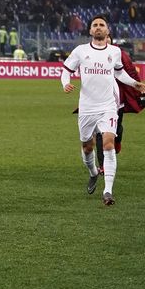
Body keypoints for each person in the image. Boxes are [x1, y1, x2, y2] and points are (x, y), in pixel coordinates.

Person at [61, 16, 145, 206]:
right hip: (87, 108)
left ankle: (108, 191)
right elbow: (66, 70)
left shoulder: (115, 52)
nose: (98, 28)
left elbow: (119, 72)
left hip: (108, 106)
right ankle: (92, 173)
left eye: (102, 25)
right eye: (95, 25)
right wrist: (66, 83)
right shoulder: (81, 51)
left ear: (107, 31)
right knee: (87, 146)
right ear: (90, 31)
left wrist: (135, 84)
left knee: (108, 144)